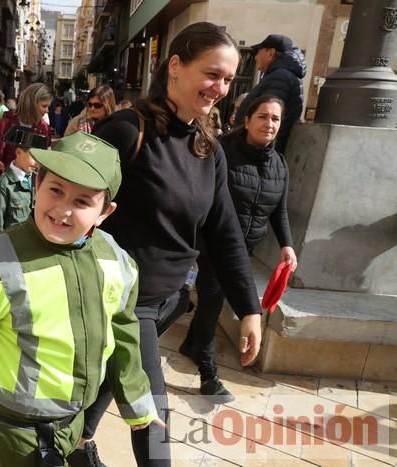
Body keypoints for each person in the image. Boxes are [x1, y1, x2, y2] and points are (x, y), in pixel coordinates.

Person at [0, 132, 162, 467]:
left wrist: (139, 405)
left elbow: (122, 336)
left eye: (82, 201)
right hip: (14, 422)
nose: (62, 210)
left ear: (105, 211)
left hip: (73, 417)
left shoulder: (116, 262)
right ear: (37, 186)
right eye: (55, 190)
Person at [81, 22, 264, 467]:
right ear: (176, 67)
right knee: (152, 414)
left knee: (114, 375)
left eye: (228, 79)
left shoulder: (209, 148)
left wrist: (250, 309)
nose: (220, 87)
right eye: (212, 74)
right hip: (125, 299)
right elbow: (70, 201)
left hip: (170, 299)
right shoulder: (126, 130)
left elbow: (224, 234)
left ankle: (75, 440)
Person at [180, 95, 297, 401]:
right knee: (211, 303)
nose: (269, 124)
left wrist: (287, 245)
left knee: (208, 302)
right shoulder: (223, 153)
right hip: (211, 244)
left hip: (242, 251)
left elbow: (279, 210)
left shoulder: (279, 164)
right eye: (262, 116)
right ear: (247, 120)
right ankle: (208, 372)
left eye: (275, 119)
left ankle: (192, 343)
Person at [0, 83, 51, 211]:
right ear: (31, 104)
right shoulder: (6, 123)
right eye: (44, 106)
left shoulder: (43, 128)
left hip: (32, 191)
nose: (47, 110)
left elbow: (44, 162)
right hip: (7, 189)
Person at [235, 34, 306, 153]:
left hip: (255, 152)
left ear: (270, 53)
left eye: (258, 52)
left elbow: (267, 115)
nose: (256, 57)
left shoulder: (280, 77)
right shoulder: (281, 75)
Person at [0, 126, 48, 233]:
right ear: (18, 152)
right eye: (33, 157)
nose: (37, 163)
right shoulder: (4, 184)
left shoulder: (36, 178)